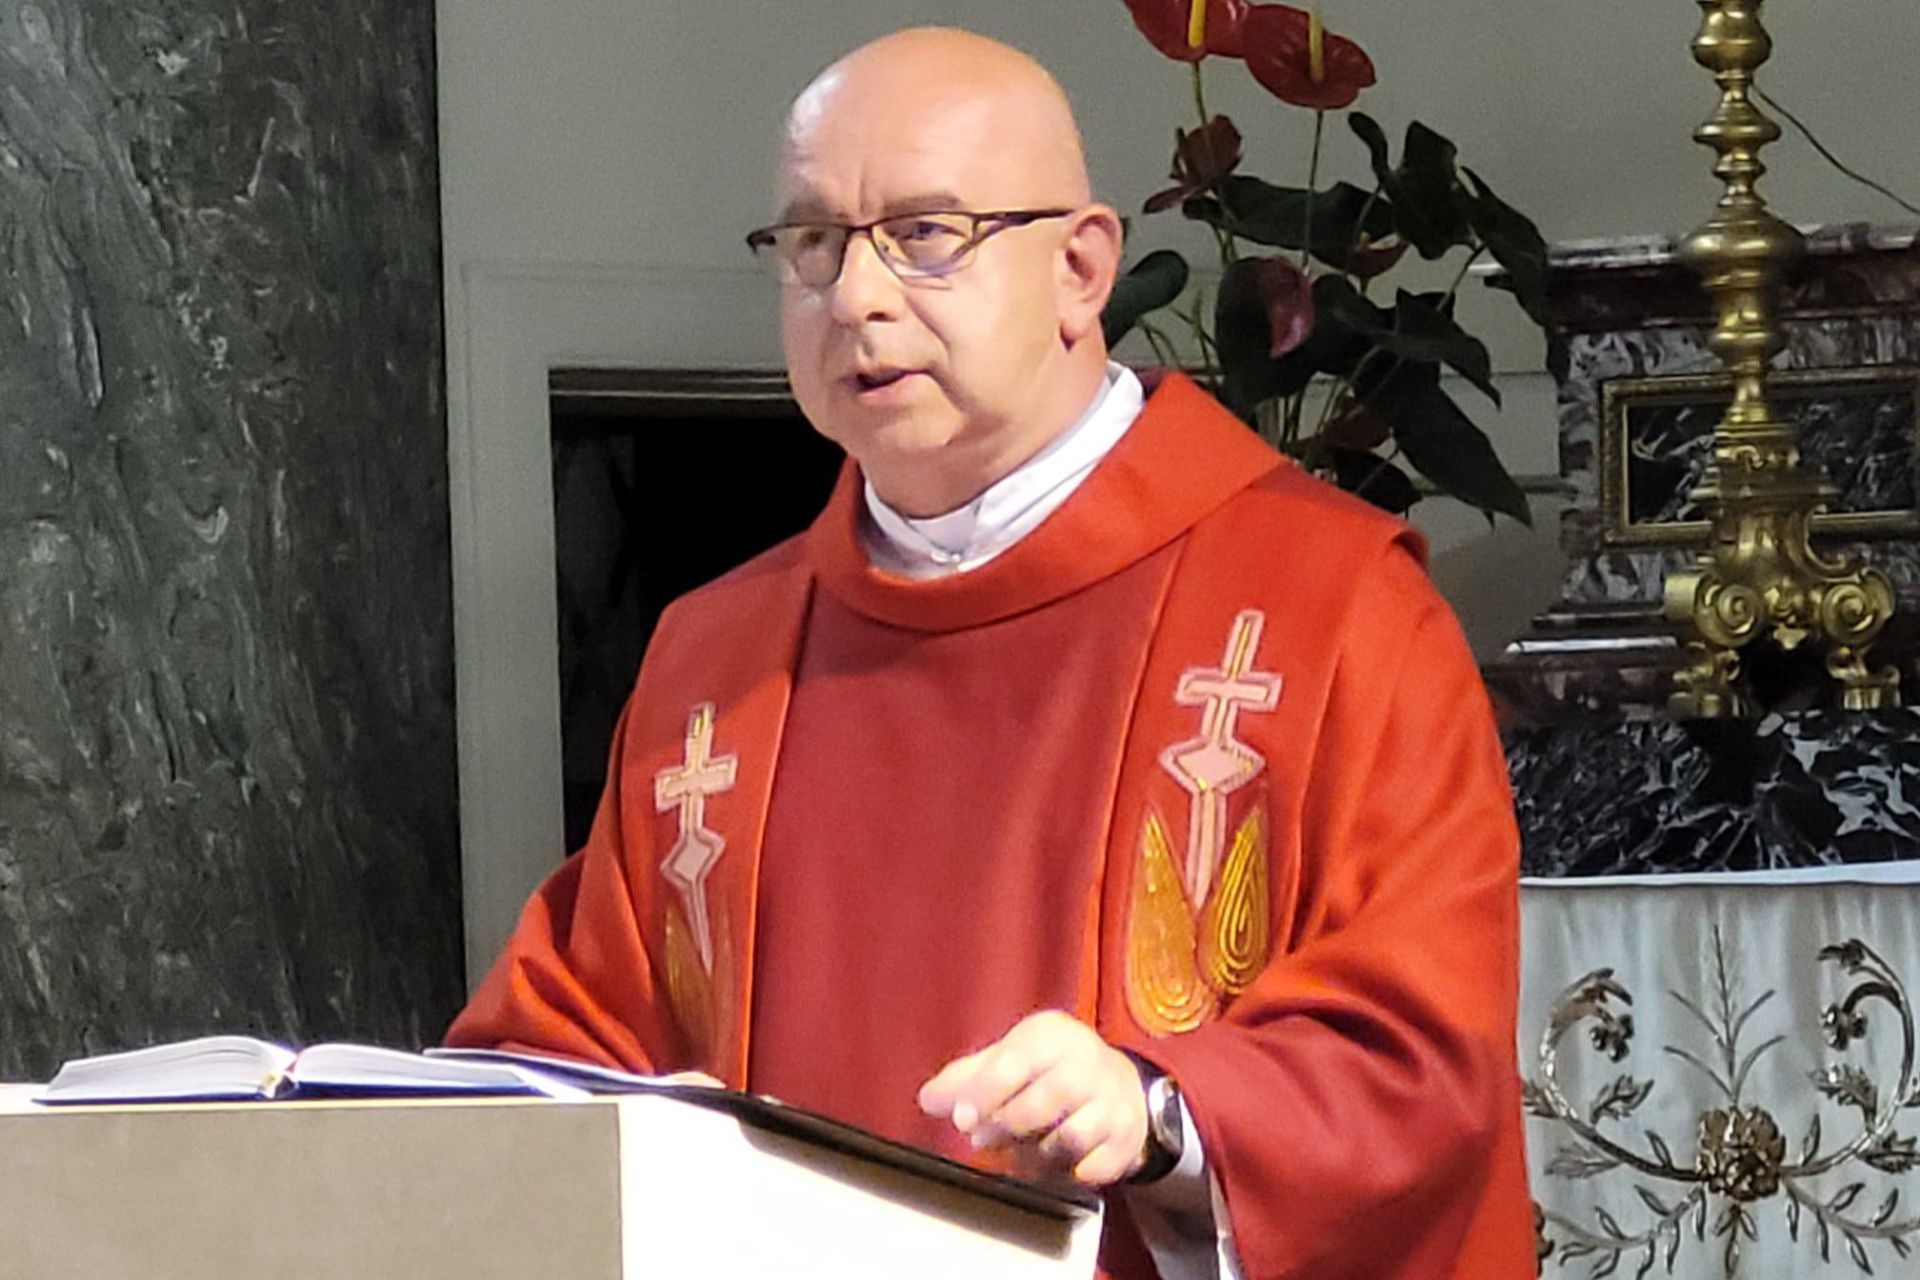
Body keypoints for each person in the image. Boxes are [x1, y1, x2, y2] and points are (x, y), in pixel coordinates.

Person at [447, 26, 1533, 1280]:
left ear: (1081, 269)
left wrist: (1165, 1108)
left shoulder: (1330, 607)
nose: (854, 295)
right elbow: (564, 1049)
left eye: (924, 233)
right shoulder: (715, 659)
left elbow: (1422, 1058)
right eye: (813, 241)